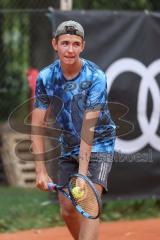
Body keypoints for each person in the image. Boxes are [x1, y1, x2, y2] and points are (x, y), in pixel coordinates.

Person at [31, 20, 116, 240]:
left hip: (98, 142)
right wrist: (40, 170)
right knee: (68, 210)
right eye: (65, 43)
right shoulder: (46, 78)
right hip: (68, 143)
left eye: (76, 44)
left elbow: (89, 128)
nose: (70, 49)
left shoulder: (96, 77)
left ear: (83, 46)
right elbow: (37, 124)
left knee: (88, 204)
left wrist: (82, 173)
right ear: (54, 44)